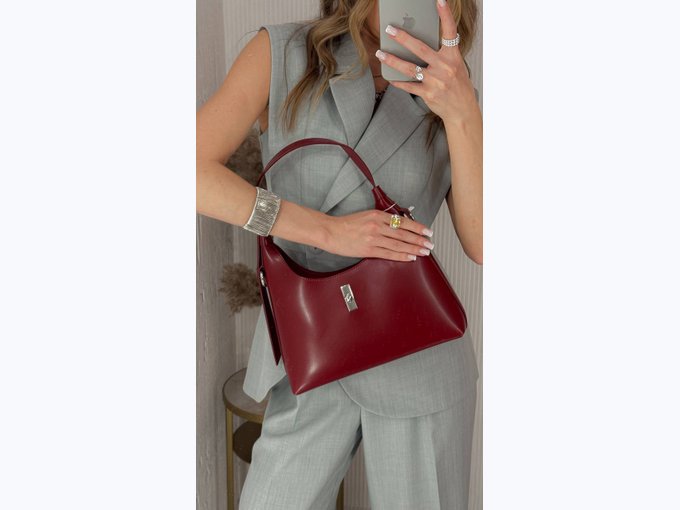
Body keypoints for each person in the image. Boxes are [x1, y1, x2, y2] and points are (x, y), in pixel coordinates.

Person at [196, 0, 482, 508]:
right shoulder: (281, 54)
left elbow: (482, 244)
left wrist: (463, 114)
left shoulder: (450, 89)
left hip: (415, 351)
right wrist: (327, 231)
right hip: (310, 346)